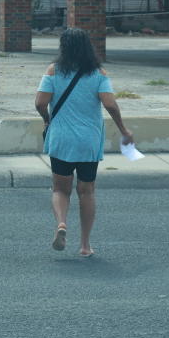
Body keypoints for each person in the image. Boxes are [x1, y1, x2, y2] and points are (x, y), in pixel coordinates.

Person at [35, 28, 133, 257]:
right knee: (86, 191)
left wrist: (47, 120)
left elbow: (40, 103)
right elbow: (110, 105)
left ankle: (61, 224)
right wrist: (123, 129)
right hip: (88, 140)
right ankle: (85, 245)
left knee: (60, 188)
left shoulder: (53, 71)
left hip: (61, 139)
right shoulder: (98, 73)